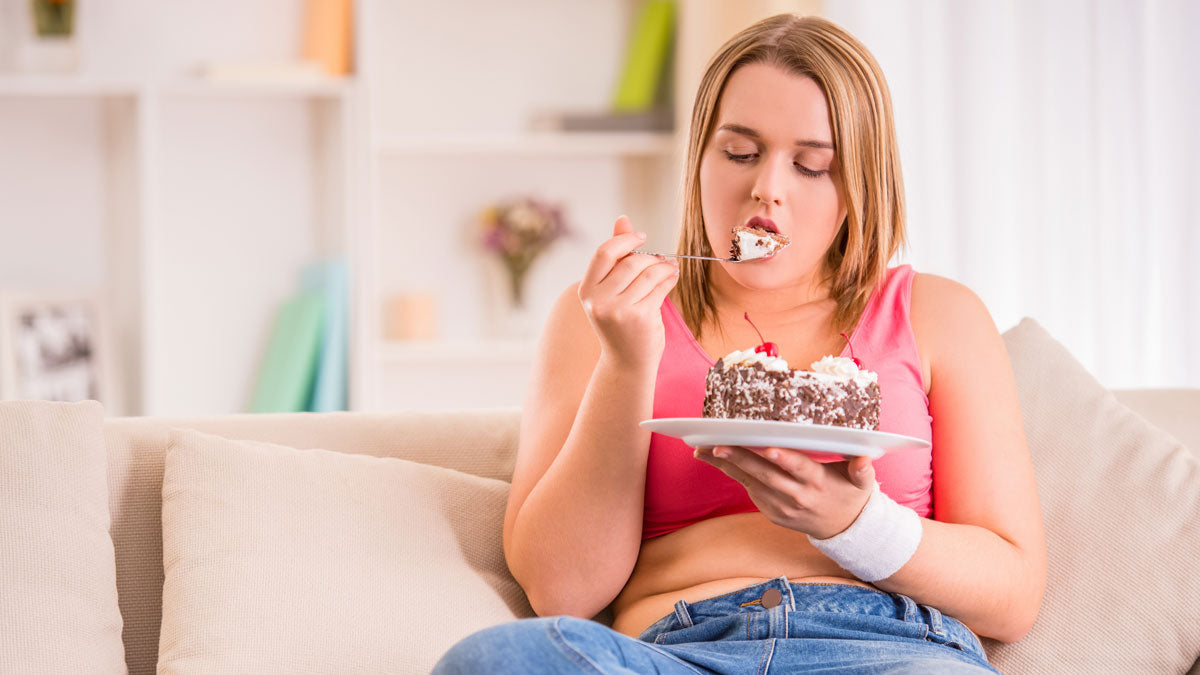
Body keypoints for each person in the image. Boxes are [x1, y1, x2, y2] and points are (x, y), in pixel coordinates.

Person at [434, 13, 1045, 674]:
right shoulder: (604, 316)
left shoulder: (938, 313)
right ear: (699, 157)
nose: (767, 190)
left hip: (888, 647)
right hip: (677, 647)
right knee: (495, 659)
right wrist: (629, 361)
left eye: (812, 165)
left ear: (859, 186)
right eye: (740, 153)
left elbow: (1012, 595)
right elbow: (563, 590)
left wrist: (854, 522)